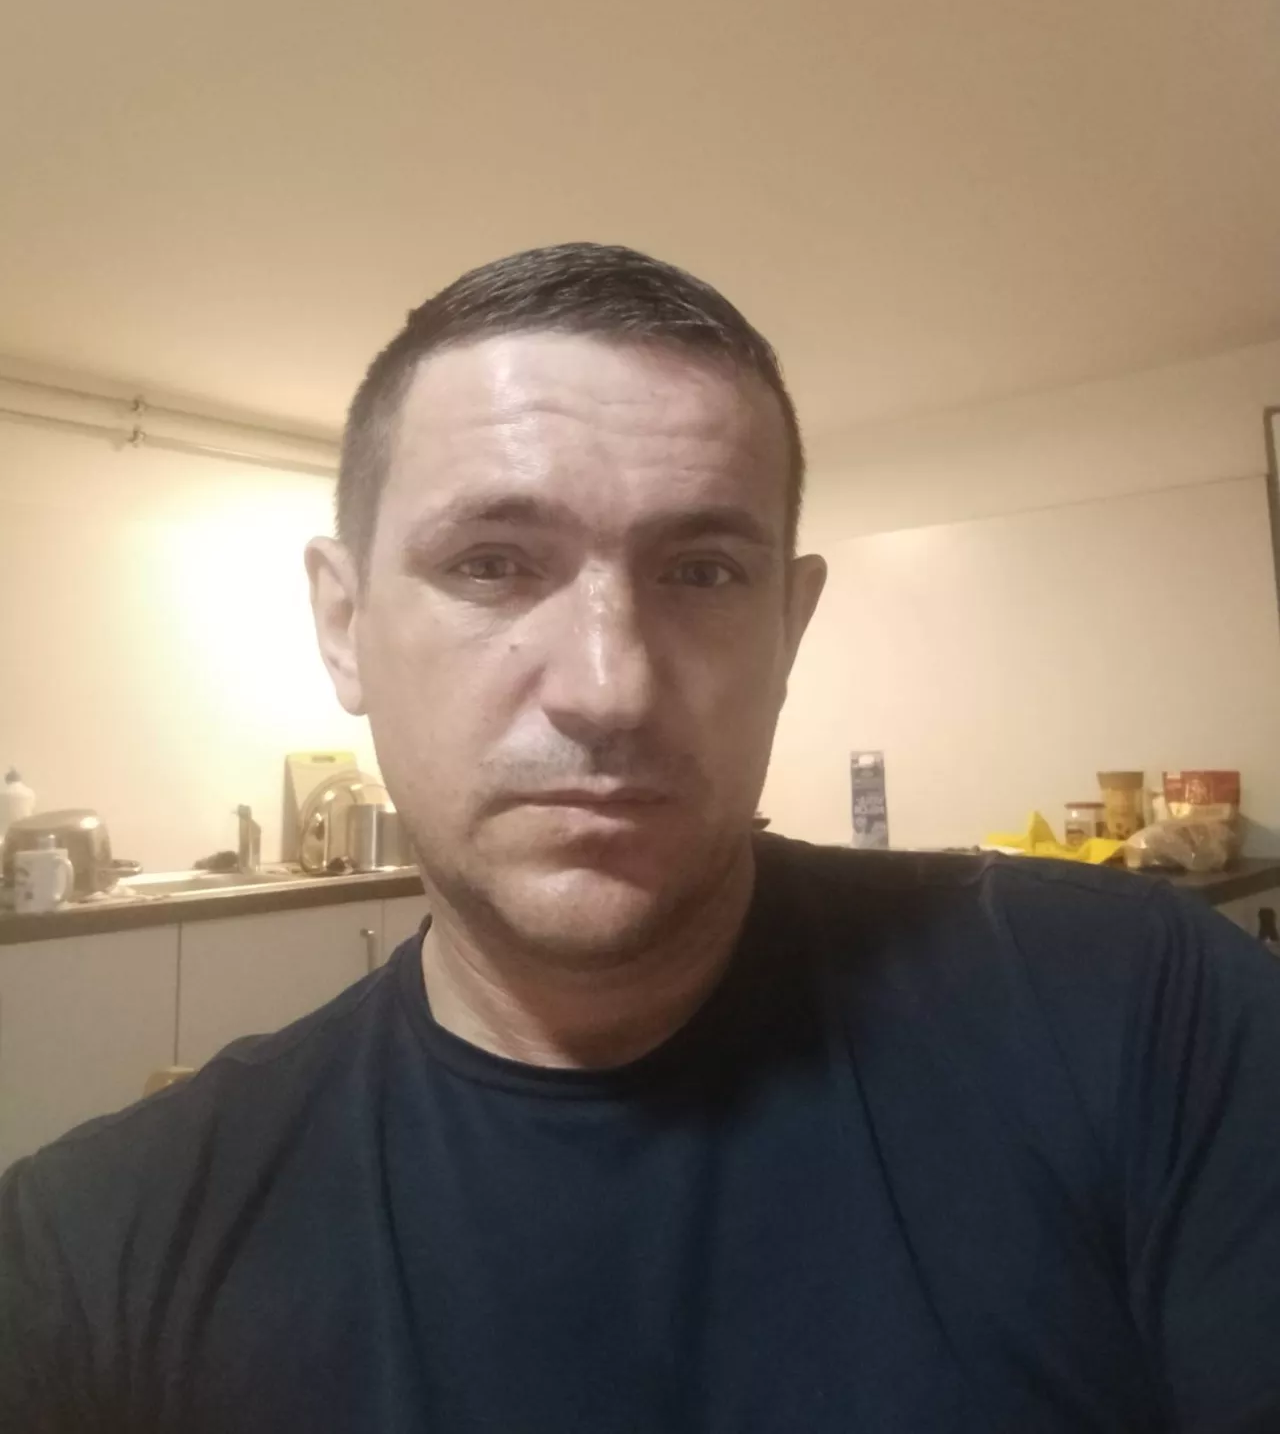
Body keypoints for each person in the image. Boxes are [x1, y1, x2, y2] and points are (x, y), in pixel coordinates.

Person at [2, 243, 1279, 1434]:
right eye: (492, 563)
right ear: (343, 625)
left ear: (788, 627)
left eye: (702, 571)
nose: (609, 690)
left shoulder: (1141, 1015)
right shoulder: (86, 1252)